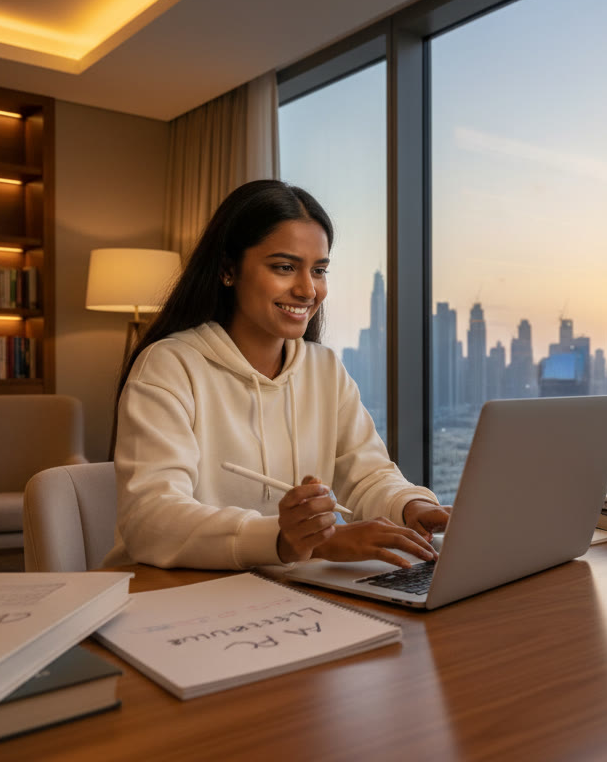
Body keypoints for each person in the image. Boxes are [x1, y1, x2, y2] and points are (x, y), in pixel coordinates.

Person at [102, 179, 450, 570]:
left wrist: (411, 506)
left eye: (319, 270)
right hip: (176, 594)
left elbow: (367, 475)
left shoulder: (325, 368)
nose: (307, 289)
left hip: (286, 592)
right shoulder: (169, 365)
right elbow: (151, 519)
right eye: (284, 267)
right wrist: (288, 541)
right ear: (228, 269)